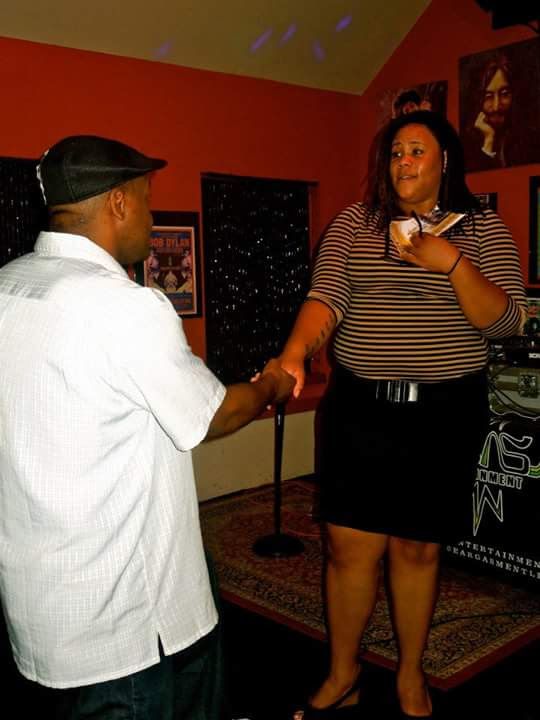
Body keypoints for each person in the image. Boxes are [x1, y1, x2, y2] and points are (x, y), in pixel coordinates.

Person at [0, 135, 295, 719]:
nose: (152, 217)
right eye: (147, 199)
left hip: (39, 609)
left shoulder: (8, 284)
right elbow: (213, 414)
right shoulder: (126, 307)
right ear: (118, 202)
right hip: (124, 626)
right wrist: (269, 386)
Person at [280, 110, 526, 718]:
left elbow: (506, 322)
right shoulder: (353, 224)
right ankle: (343, 673)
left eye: (416, 150)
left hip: (442, 413)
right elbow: (326, 298)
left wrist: (452, 263)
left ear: (446, 161)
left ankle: (411, 674)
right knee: (349, 548)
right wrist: (295, 351)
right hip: (359, 408)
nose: (403, 161)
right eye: (395, 152)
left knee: (417, 550)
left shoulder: (484, 228)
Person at [463, 53, 540, 171]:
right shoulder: (466, 144)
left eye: (504, 94)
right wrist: (488, 140)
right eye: (488, 97)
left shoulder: (531, 140)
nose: (496, 107)